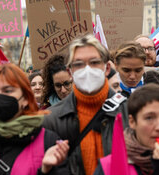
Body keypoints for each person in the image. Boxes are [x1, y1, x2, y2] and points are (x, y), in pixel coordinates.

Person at [43, 34, 129, 175]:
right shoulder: (51, 119)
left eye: (94, 62)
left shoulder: (129, 112)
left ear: (107, 68)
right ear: (69, 72)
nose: (87, 69)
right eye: (78, 64)